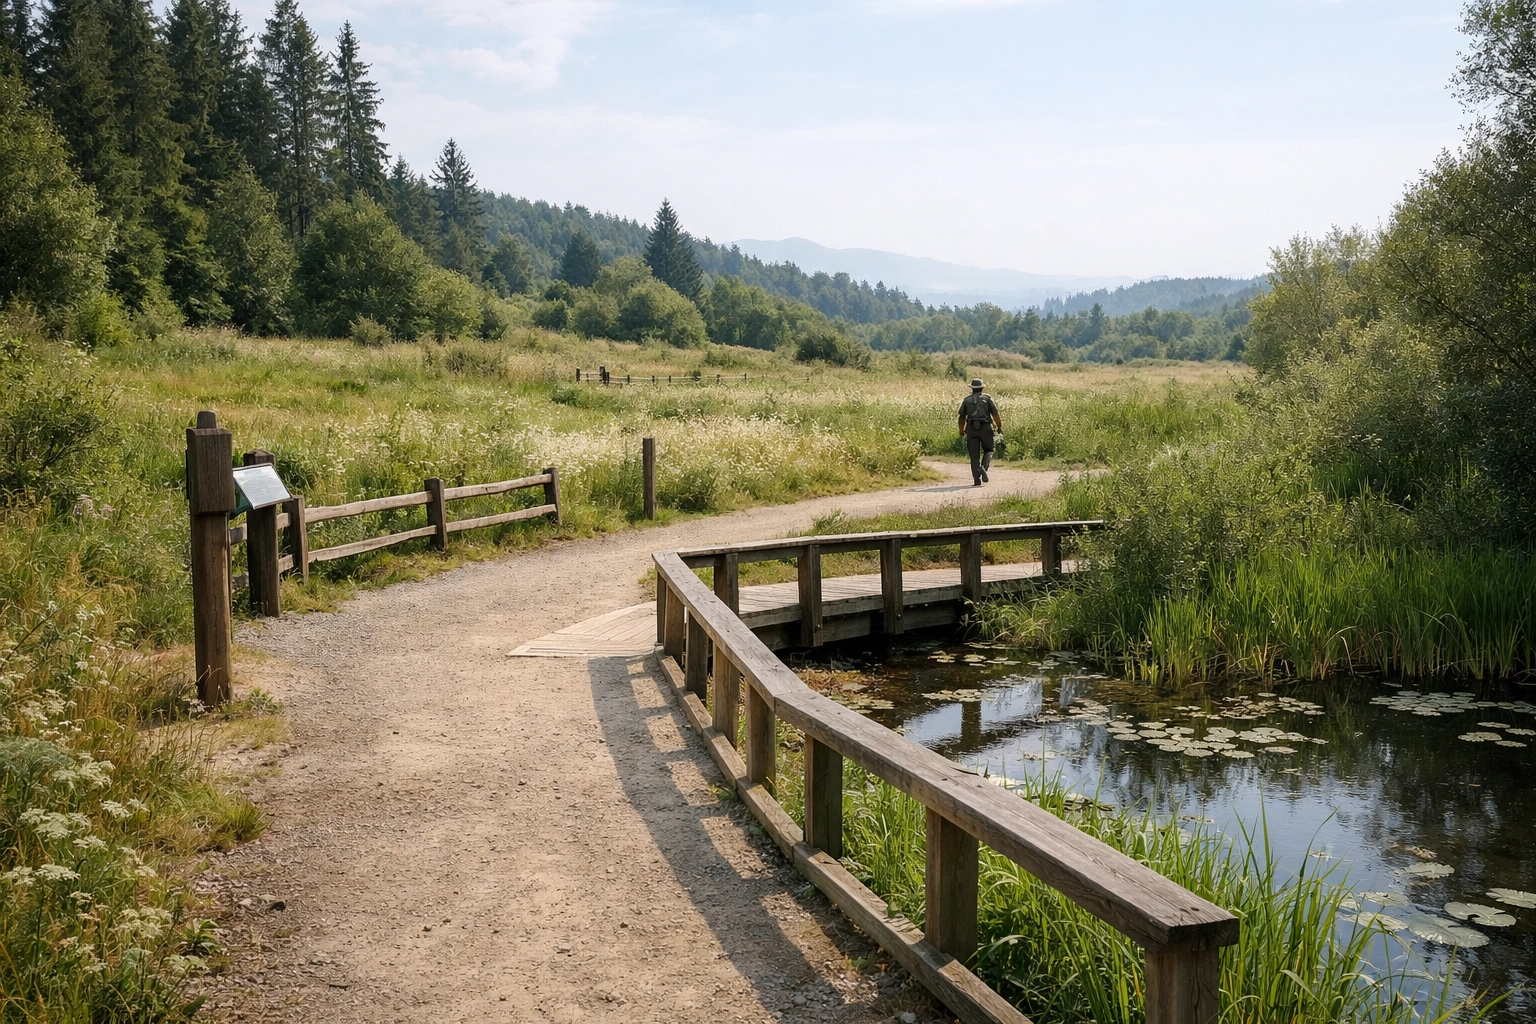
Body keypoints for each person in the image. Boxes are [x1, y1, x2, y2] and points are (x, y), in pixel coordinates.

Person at [958, 377, 1003, 486]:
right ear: (982, 388)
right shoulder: (988, 399)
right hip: (985, 428)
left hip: (971, 429)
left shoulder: (966, 400)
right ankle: (983, 467)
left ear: (972, 388)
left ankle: (976, 479)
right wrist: (999, 427)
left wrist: (961, 430)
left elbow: (961, 418)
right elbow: (995, 414)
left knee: (974, 456)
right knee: (989, 450)